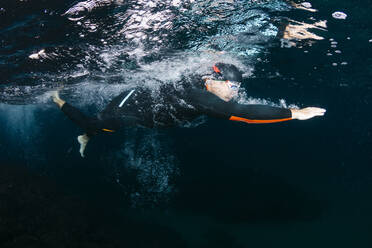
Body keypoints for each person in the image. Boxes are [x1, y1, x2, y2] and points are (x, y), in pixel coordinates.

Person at [52, 63, 326, 157]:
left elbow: (242, 103)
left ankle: (88, 134)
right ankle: (58, 100)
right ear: (213, 82)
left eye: (237, 87)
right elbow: (245, 114)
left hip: (158, 117)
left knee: (105, 127)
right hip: (134, 105)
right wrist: (294, 114)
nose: (234, 92)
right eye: (231, 86)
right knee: (100, 125)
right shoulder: (201, 96)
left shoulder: (211, 87)